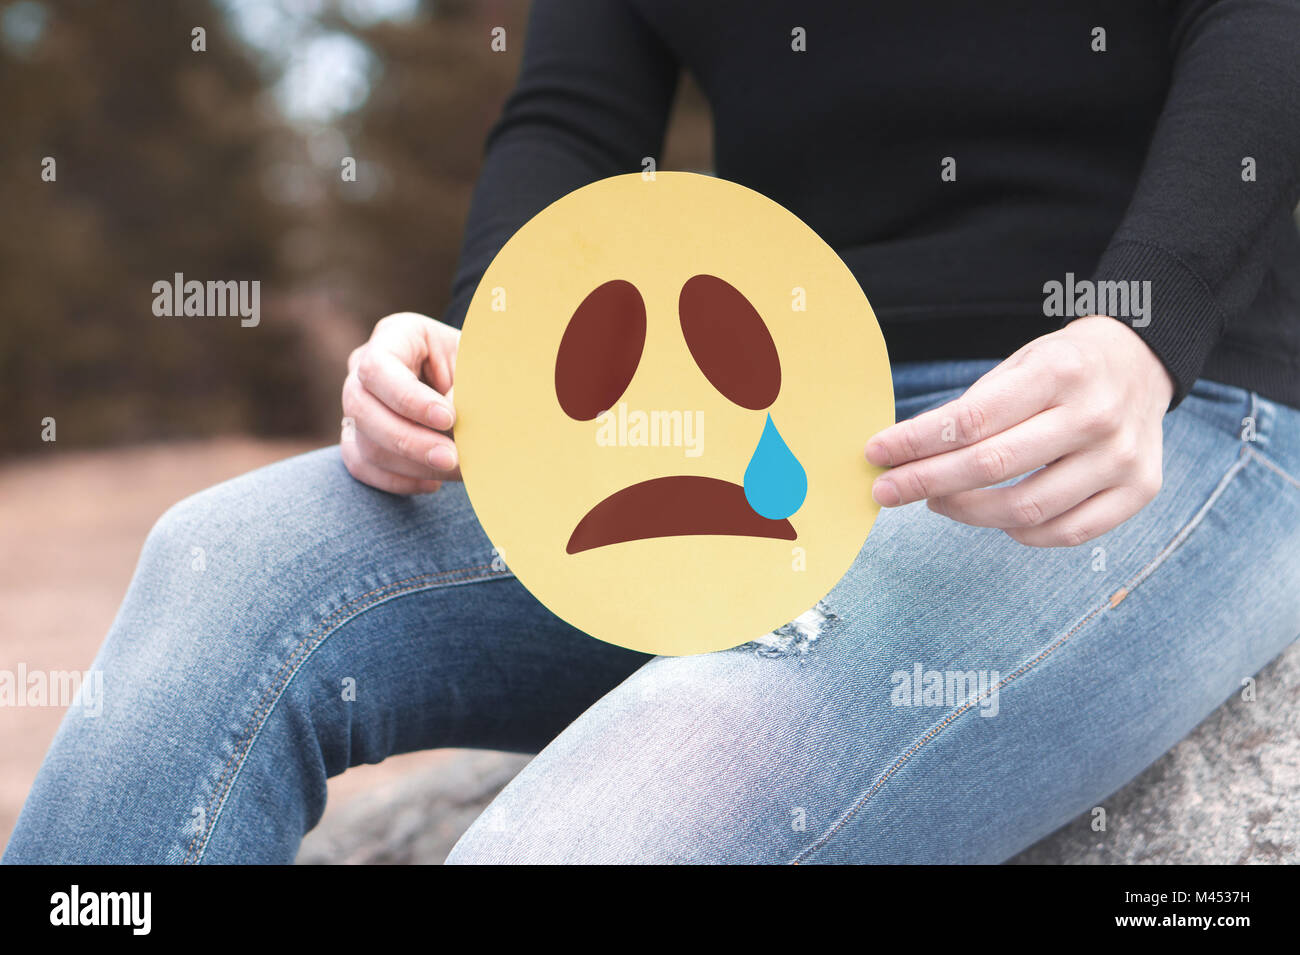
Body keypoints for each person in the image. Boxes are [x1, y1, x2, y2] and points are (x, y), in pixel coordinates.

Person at [6, 0, 1300, 864]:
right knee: (233, 563)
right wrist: (485, 343)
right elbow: (571, 118)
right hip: (765, 416)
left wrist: (1148, 327)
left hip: (1157, 401)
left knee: (672, 765)